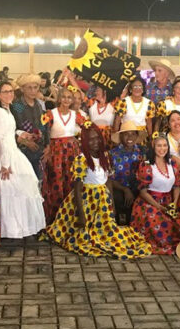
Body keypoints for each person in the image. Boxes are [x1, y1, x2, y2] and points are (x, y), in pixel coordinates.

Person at [46, 125, 152, 259]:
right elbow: (77, 189)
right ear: (84, 141)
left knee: (109, 233)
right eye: (90, 140)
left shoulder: (105, 157)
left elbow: (107, 181)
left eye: (97, 138)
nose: (95, 142)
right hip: (87, 202)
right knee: (85, 236)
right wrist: (81, 215)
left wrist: (112, 205)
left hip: (103, 201)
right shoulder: (82, 159)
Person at [0, 80, 46, 239]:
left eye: (10, 91)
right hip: (7, 154)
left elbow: (11, 130)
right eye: (5, 92)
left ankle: (20, 227)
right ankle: (10, 229)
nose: (9, 94)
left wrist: (21, 134)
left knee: (22, 190)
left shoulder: (10, 110)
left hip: (15, 150)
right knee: (11, 191)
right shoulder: (4, 110)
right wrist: (5, 163)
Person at [130, 133, 180, 255]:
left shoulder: (172, 163)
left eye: (165, 145)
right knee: (160, 225)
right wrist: (158, 206)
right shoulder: (147, 165)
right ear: (153, 147)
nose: (162, 149)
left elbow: (176, 186)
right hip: (150, 201)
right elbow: (143, 192)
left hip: (169, 200)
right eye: (159, 146)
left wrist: (175, 202)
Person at [40, 87, 88, 224]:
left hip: (72, 152)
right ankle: (55, 216)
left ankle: (71, 215)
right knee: (56, 181)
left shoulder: (75, 115)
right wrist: (47, 147)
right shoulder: (51, 114)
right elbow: (42, 130)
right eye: (64, 97)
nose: (66, 100)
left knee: (71, 181)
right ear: (59, 98)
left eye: (69, 97)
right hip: (56, 152)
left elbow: (87, 126)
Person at [11, 74, 49, 179]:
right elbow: (13, 129)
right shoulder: (17, 106)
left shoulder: (39, 105)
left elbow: (45, 124)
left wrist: (48, 146)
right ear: (22, 89)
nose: (33, 91)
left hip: (40, 151)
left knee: (39, 180)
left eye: (35, 87)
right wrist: (26, 142)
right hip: (23, 151)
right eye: (29, 88)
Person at [109, 121, 145, 225]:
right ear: (120, 136)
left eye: (133, 134)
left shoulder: (142, 152)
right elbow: (109, 179)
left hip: (139, 191)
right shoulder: (112, 154)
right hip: (119, 191)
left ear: (137, 136)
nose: (130, 137)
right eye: (126, 134)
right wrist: (125, 189)